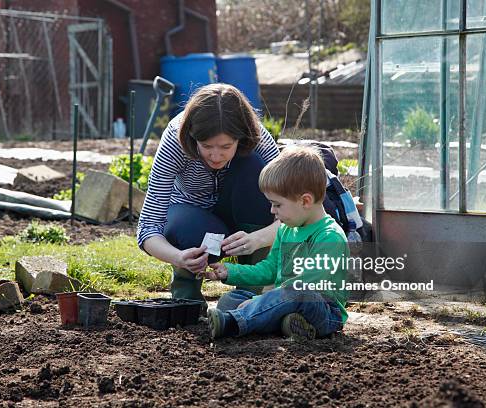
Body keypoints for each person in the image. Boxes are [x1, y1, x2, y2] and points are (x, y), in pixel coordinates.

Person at [136, 83, 281, 306]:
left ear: (241, 137)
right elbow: (148, 226)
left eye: (225, 146)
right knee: (185, 227)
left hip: (242, 221)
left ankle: (250, 291)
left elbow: (290, 213)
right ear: (192, 137)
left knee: (256, 166)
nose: (215, 155)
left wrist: (256, 239)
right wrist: (177, 257)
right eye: (206, 145)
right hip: (193, 219)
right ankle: (187, 291)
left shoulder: (256, 136)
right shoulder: (175, 141)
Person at [199, 145, 349, 340]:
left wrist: (261, 300)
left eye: (277, 204)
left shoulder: (330, 237)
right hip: (283, 300)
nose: (272, 211)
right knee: (230, 300)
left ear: (305, 201)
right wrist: (231, 271)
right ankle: (287, 324)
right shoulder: (286, 229)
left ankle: (234, 323)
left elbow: (306, 284)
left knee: (297, 293)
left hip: (323, 311)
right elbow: (270, 269)